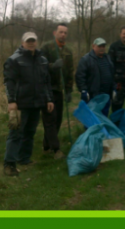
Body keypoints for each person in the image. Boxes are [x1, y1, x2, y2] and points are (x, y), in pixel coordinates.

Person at [3, 32, 54, 176]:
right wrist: (11, 101)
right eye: (28, 41)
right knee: (16, 133)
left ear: (36, 42)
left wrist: (49, 99)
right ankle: (9, 164)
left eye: (33, 41)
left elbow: (46, 82)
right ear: (22, 42)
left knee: (30, 132)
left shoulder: (42, 60)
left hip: (37, 103)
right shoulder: (14, 60)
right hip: (20, 103)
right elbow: (9, 82)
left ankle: (24, 158)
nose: (31, 43)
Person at [40, 23, 74, 160]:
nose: (63, 35)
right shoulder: (46, 48)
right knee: (50, 119)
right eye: (61, 32)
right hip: (47, 89)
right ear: (55, 33)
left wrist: (69, 90)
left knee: (58, 120)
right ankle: (56, 149)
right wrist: (52, 66)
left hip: (60, 90)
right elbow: (39, 66)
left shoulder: (68, 51)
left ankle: (46, 145)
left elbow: (70, 72)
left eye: (65, 32)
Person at [75, 38, 115, 116]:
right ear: (93, 46)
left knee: (104, 116)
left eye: (103, 46)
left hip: (106, 95)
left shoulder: (108, 58)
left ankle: (102, 128)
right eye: (99, 46)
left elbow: (112, 74)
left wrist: (114, 87)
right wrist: (83, 90)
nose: (102, 48)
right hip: (94, 95)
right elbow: (80, 76)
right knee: (92, 117)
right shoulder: (86, 59)